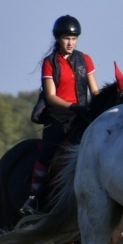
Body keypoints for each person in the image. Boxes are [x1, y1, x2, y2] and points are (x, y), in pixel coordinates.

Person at [21, 15, 99, 215]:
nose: (71, 42)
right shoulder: (49, 63)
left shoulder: (85, 59)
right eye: (66, 38)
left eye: (74, 38)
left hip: (82, 115)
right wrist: (73, 108)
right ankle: (33, 197)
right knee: (47, 152)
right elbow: (51, 96)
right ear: (58, 39)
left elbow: (95, 91)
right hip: (58, 115)